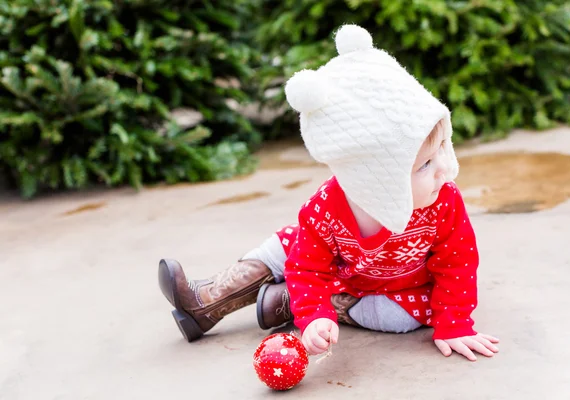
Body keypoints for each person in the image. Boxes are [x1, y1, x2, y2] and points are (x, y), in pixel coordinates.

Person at [158, 24, 499, 362]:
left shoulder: (443, 201)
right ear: (373, 178)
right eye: (425, 164)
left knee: (401, 318)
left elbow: (458, 264)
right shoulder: (324, 209)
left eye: (442, 148)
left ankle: (292, 303)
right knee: (286, 246)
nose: (443, 168)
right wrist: (314, 311)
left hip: (399, 289)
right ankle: (206, 302)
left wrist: (454, 324)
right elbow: (308, 268)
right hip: (341, 266)